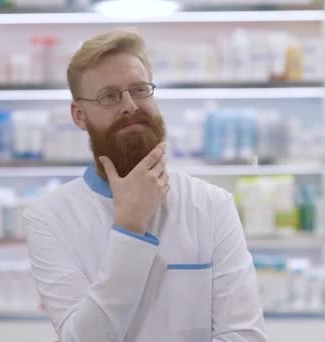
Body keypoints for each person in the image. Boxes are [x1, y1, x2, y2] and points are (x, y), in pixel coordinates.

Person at [24, 28, 267, 342]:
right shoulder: (49, 217)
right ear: (79, 115)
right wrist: (129, 228)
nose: (130, 105)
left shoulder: (211, 205)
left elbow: (245, 336)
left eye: (140, 89)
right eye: (109, 96)